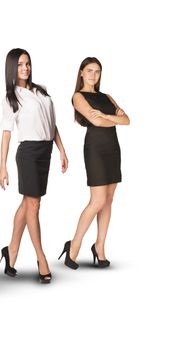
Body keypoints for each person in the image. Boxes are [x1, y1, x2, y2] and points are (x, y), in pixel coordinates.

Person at [0, 48, 68, 283]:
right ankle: (42, 258)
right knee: (34, 205)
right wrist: (2, 166)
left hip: (45, 152)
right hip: (28, 152)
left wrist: (61, 150)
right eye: (19, 65)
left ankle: (11, 251)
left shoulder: (42, 91)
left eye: (27, 63)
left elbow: (52, 124)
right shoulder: (11, 97)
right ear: (11, 68)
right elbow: (6, 133)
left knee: (28, 203)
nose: (24, 68)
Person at [59, 57, 130, 269]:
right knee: (97, 201)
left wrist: (107, 116)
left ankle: (99, 247)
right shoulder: (78, 96)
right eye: (89, 70)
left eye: (97, 71)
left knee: (108, 200)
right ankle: (74, 245)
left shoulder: (107, 96)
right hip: (96, 150)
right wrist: (112, 117)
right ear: (81, 73)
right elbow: (96, 121)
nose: (93, 75)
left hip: (113, 148)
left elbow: (127, 120)